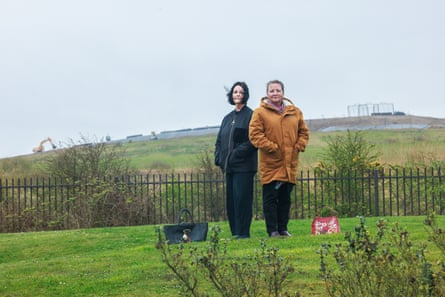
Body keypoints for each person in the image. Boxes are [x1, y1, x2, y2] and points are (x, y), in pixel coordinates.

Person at [249, 80, 309, 237]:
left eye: (277, 90)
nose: (275, 93)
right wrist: (272, 148)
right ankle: (273, 230)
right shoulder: (259, 113)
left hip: (290, 163)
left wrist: (299, 146)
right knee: (270, 199)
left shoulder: (295, 112)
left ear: (283, 92)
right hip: (271, 163)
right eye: (271, 91)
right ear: (267, 93)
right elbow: (255, 135)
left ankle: (283, 228)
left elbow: (303, 132)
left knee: (285, 199)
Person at [215, 81, 258, 239]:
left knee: (242, 200)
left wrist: (235, 154)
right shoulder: (227, 118)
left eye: (240, 92)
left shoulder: (251, 115)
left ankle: (243, 232)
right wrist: (219, 158)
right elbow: (220, 140)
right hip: (229, 168)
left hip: (244, 167)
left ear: (245, 95)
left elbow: (253, 140)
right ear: (231, 96)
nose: (237, 94)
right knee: (231, 202)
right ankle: (235, 233)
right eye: (235, 92)